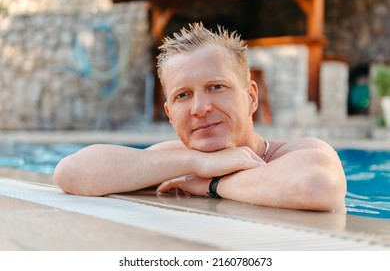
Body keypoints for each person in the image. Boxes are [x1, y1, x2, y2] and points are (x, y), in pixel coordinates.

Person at [53, 22, 346, 212]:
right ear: (169, 113)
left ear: (251, 97)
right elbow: (70, 173)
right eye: (183, 95)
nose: (200, 107)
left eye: (216, 87)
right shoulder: (176, 160)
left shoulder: (297, 153)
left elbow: (315, 188)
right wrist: (197, 162)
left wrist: (208, 183)